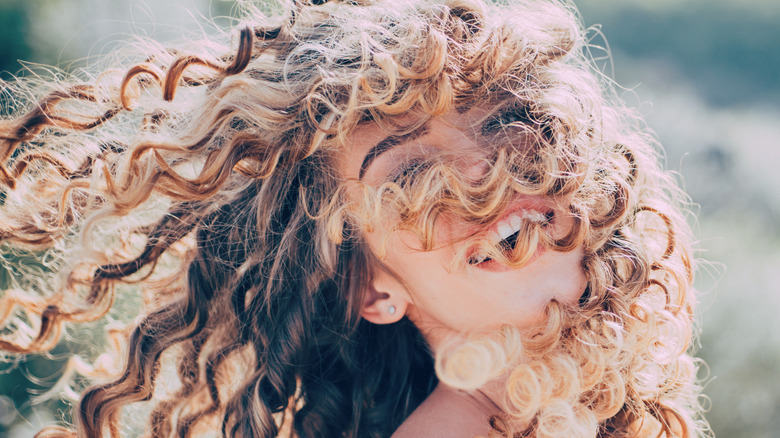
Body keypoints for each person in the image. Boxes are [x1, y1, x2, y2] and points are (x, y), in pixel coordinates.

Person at [0, 0, 709, 436]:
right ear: (373, 289)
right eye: (408, 176)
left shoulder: (619, 395)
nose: (481, 174)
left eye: (505, 119)